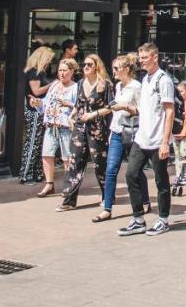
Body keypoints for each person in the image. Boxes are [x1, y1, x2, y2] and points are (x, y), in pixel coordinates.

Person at [118, 43, 175, 236]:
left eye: (144, 57)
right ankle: (138, 219)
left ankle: (163, 219)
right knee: (131, 174)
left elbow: (169, 111)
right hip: (142, 138)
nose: (141, 61)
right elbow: (144, 110)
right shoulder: (146, 80)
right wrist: (125, 107)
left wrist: (165, 142)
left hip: (158, 139)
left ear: (154, 57)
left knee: (161, 181)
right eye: (140, 58)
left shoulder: (163, 80)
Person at [58, 54, 111, 211]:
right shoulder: (81, 83)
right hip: (80, 127)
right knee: (75, 163)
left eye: (89, 64)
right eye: (84, 64)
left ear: (96, 66)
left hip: (97, 128)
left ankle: (107, 197)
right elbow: (78, 104)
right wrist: (71, 115)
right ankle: (69, 200)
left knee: (100, 164)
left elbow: (110, 107)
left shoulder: (105, 84)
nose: (86, 67)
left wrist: (94, 114)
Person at [96, 54, 144, 223]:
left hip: (133, 132)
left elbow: (141, 111)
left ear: (127, 69)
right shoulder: (118, 86)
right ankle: (107, 208)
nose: (114, 71)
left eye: (117, 68)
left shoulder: (137, 87)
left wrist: (125, 107)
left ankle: (144, 200)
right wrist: (110, 131)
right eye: (113, 68)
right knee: (111, 170)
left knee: (135, 170)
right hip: (117, 131)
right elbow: (113, 110)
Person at [34, 57, 79, 197]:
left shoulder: (76, 87)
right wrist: (38, 103)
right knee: (46, 155)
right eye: (60, 70)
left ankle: (68, 186)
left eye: (65, 70)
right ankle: (49, 185)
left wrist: (68, 104)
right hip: (51, 124)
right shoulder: (54, 85)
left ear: (72, 71)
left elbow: (80, 106)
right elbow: (46, 102)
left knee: (67, 158)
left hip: (66, 126)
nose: (62, 73)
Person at [19, 46, 55, 184]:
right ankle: (25, 174)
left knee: (39, 143)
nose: (49, 62)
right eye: (48, 59)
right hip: (33, 110)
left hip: (39, 110)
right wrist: (52, 84)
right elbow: (36, 91)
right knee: (33, 142)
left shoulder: (41, 72)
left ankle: (37, 172)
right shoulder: (34, 72)